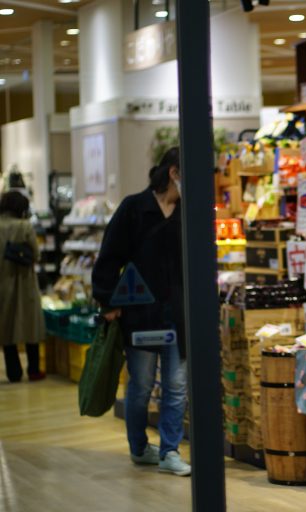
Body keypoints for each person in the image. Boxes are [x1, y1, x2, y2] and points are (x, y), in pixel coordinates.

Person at [92, 147, 191, 477]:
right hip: (140, 314)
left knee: (177, 386)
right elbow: (109, 256)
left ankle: (169, 451)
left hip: (178, 314)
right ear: (174, 172)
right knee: (141, 386)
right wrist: (108, 301)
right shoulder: (134, 208)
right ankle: (138, 447)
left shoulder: (189, 213)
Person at [0, 191, 46, 382]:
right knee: (30, 325)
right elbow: (35, 254)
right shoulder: (24, 226)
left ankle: (13, 372)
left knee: (5, 326)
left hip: (2, 282)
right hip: (25, 282)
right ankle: (33, 370)